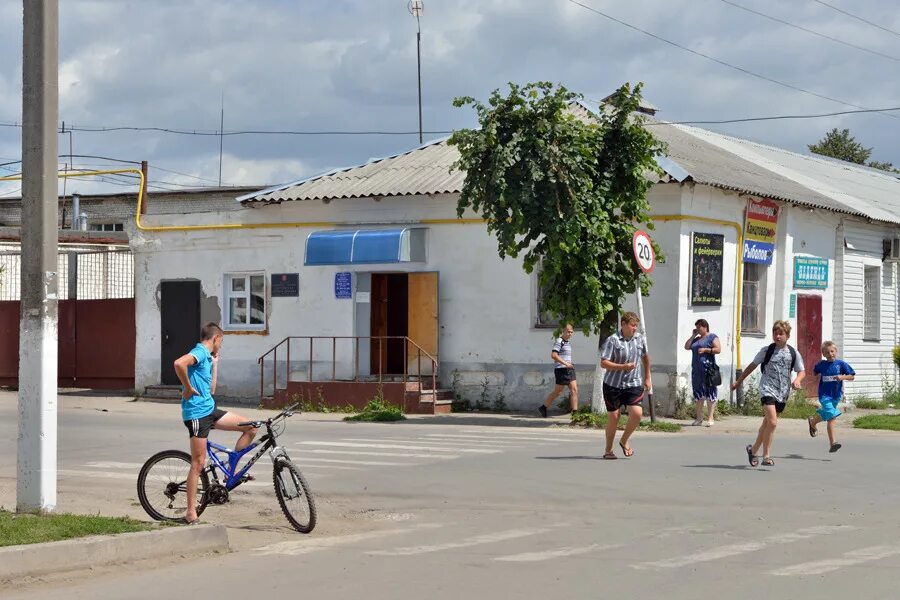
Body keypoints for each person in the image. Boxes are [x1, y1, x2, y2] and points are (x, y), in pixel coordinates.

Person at [174, 322, 258, 524]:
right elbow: (178, 364)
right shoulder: (200, 351)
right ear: (216, 338)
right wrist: (187, 387)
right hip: (196, 414)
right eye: (222, 341)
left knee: (250, 427)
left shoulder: (207, 357)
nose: (221, 345)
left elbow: (211, 390)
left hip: (209, 409)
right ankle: (190, 511)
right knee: (198, 462)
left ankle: (232, 471)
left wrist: (215, 363)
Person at [732, 320, 805, 468]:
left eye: (781, 334)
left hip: (783, 392)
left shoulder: (793, 353)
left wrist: (798, 380)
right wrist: (738, 381)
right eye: (775, 333)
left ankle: (752, 450)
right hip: (767, 389)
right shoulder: (766, 350)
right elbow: (752, 366)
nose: (777, 336)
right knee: (772, 422)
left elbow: (801, 371)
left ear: (788, 335)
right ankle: (766, 456)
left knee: (767, 424)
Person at [600, 312, 651, 459]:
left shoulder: (640, 339)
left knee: (637, 413)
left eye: (636, 326)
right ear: (623, 324)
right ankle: (608, 450)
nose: (635, 328)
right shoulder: (613, 340)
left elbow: (646, 358)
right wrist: (622, 367)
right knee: (614, 417)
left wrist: (647, 377)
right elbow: (603, 363)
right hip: (613, 385)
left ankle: (624, 440)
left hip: (633, 383)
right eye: (632, 325)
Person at [807, 341, 855, 453]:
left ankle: (813, 422)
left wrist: (842, 377)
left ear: (836, 351)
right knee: (832, 416)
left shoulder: (841, 364)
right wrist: (814, 376)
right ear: (823, 354)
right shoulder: (822, 364)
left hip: (836, 395)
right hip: (824, 395)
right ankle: (833, 443)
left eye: (832, 351)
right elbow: (815, 372)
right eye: (827, 352)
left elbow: (852, 376)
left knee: (827, 415)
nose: (830, 354)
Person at [684, 319, 721, 427]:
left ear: (705, 327)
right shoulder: (696, 340)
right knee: (698, 395)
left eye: (699, 327)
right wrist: (693, 336)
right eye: (696, 327)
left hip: (709, 371)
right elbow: (686, 347)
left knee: (710, 394)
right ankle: (699, 419)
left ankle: (710, 418)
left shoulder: (712, 337)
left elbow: (718, 349)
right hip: (697, 371)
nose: (697, 329)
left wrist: (706, 350)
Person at [538, 324, 578, 417]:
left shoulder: (567, 342)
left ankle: (575, 414)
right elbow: (554, 355)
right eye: (568, 331)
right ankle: (543, 407)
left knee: (574, 390)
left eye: (571, 332)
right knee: (558, 392)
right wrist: (566, 363)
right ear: (563, 331)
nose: (570, 334)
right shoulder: (559, 341)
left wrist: (569, 364)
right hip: (561, 369)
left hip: (569, 369)